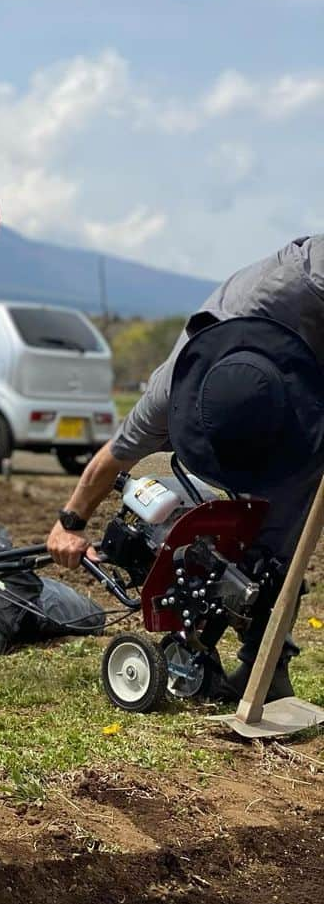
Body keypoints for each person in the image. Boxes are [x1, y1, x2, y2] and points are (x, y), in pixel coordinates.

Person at [47, 235, 324, 701]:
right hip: (277, 339)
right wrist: (68, 523)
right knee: (275, 542)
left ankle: (267, 663)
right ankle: (261, 663)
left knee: (284, 533)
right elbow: (116, 454)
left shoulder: (307, 285)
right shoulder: (168, 394)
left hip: (304, 306)